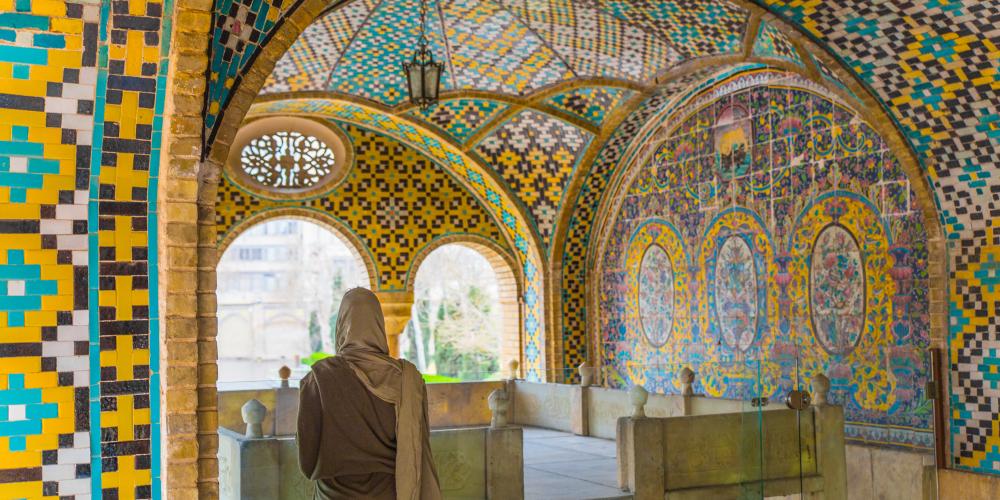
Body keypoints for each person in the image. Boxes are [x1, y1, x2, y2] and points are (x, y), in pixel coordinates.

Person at [297, 288, 442, 500]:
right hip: (390, 492)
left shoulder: (319, 378)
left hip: (334, 494)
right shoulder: (406, 378)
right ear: (379, 325)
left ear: (341, 325)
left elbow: (307, 459)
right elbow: (418, 448)